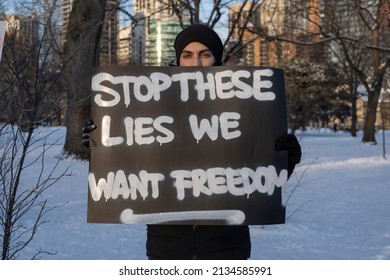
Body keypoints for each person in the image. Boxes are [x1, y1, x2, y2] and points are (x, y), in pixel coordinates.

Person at [82, 24, 302, 260]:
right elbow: (132, 165)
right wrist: (101, 145)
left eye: (205, 54)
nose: (196, 63)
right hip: (167, 246)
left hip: (226, 247)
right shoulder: (150, 105)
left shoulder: (246, 105)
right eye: (187, 55)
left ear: (216, 58)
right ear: (178, 59)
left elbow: (256, 180)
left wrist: (284, 159)